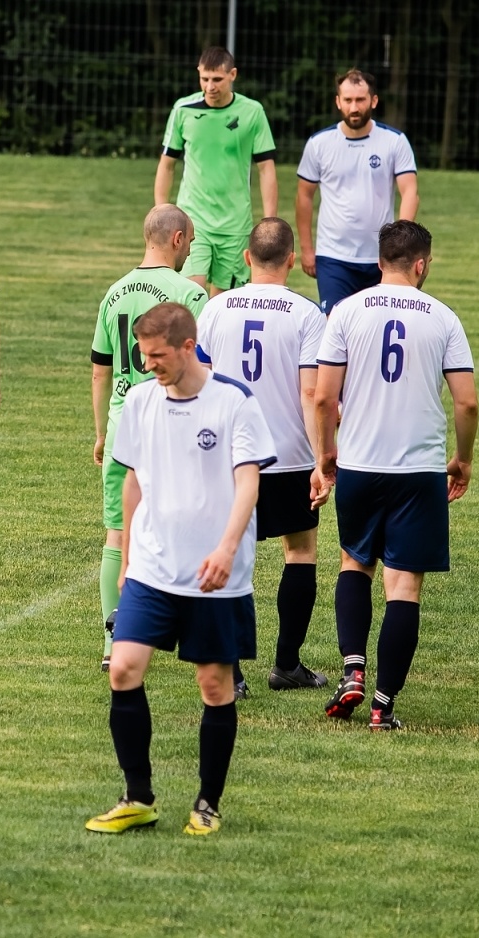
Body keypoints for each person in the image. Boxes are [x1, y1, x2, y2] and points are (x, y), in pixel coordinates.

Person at [85, 303, 274, 838]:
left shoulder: (233, 402)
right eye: (144, 356)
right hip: (151, 567)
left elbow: (248, 482)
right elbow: (134, 481)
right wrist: (123, 557)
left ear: (188, 347)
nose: (149, 366)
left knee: (214, 686)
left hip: (216, 576)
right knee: (122, 669)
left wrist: (226, 549)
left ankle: (207, 802)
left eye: (158, 356)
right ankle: (137, 796)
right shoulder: (143, 400)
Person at [311, 220, 477, 730]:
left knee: (353, 563)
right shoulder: (443, 317)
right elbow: (467, 401)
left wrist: (325, 457)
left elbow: (322, 397)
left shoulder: (346, 310)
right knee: (403, 586)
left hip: (360, 463)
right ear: (421, 263)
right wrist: (463, 459)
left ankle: (353, 671)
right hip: (418, 468)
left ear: (379, 260)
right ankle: (383, 706)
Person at [196, 217, 328, 694]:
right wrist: (322, 459)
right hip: (288, 456)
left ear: (246, 258)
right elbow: (313, 392)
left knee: (230, 554)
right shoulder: (307, 314)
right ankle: (287, 665)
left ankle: (232, 672)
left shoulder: (215, 309)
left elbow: (201, 384)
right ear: (292, 260)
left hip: (231, 456)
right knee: (300, 552)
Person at [90, 204, 207, 669]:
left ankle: (111, 645)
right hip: (171, 424)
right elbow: (201, 368)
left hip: (123, 424)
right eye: (191, 242)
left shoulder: (114, 292)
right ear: (177, 239)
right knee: (185, 526)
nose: (191, 249)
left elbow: (100, 372)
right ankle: (191, 635)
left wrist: (102, 432)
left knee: (117, 534)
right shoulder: (190, 294)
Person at [154, 46, 278, 296]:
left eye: (217, 79)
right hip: (192, 220)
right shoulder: (183, 110)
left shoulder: (252, 112)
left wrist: (269, 221)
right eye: (205, 78)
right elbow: (167, 164)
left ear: (233, 75)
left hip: (235, 225)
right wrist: (161, 210)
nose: (210, 86)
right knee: (192, 296)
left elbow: (266, 169)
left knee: (222, 305)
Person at [296, 69, 419, 314]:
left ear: (373, 101)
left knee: (376, 330)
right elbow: (304, 197)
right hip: (333, 257)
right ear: (338, 101)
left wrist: (399, 245)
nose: (354, 107)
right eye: (348, 100)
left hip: (382, 258)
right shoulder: (319, 144)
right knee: (334, 328)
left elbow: (410, 192)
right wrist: (308, 249)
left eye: (360, 100)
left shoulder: (394, 141)